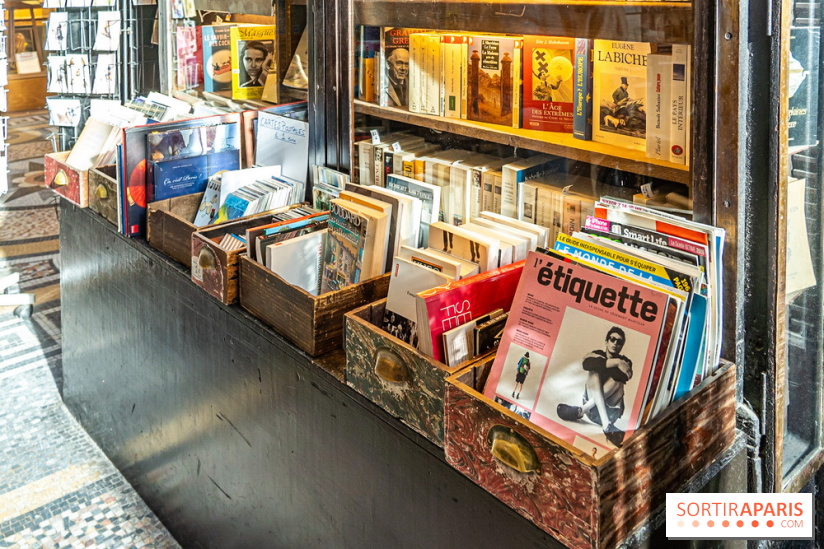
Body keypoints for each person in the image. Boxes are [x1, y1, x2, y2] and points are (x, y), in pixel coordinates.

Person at [556, 327, 632, 447]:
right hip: (591, 412)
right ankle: (606, 426)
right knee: (593, 372)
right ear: (606, 342)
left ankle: (581, 410)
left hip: (610, 412)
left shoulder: (626, 361)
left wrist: (602, 364)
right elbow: (587, 364)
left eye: (619, 342)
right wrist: (617, 363)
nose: (615, 343)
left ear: (622, 346)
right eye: (613, 339)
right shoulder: (610, 358)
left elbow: (623, 376)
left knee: (617, 382)